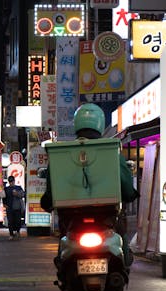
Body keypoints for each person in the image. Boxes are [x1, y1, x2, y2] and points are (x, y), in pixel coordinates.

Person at [40, 103, 139, 265]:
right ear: (100, 123)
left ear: (76, 123)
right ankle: (125, 262)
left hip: (72, 222)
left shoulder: (60, 154)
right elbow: (128, 191)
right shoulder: (112, 151)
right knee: (122, 237)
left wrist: (47, 202)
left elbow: (50, 194)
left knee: (62, 251)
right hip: (107, 219)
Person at [3, 175, 25, 240]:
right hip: (9, 207)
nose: (11, 183)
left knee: (18, 221)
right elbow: (4, 197)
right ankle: (11, 234)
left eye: (12, 181)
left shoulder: (18, 188)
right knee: (10, 221)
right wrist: (4, 204)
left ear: (14, 181)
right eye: (10, 182)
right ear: (8, 182)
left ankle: (18, 231)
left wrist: (17, 194)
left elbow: (23, 195)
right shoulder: (6, 189)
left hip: (17, 207)